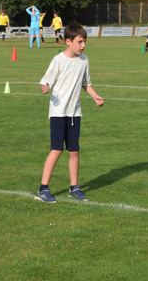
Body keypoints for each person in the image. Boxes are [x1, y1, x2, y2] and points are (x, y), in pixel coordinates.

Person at [35, 24, 104, 203]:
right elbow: (47, 80)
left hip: (75, 113)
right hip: (58, 112)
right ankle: (42, 189)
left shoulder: (84, 60)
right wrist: (45, 87)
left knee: (74, 151)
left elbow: (85, 83)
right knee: (56, 149)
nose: (83, 45)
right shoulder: (58, 60)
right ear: (68, 41)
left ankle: (74, 188)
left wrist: (95, 96)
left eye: (84, 42)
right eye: (80, 42)